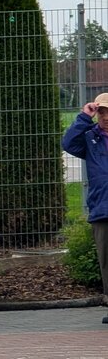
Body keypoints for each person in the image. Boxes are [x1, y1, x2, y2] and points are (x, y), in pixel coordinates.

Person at [61, 94, 108, 324]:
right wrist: (83, 117)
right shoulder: (90, 138)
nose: (106, 117)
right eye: (102, 112)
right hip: (102, 207)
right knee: (106, 260)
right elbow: (68, 143)